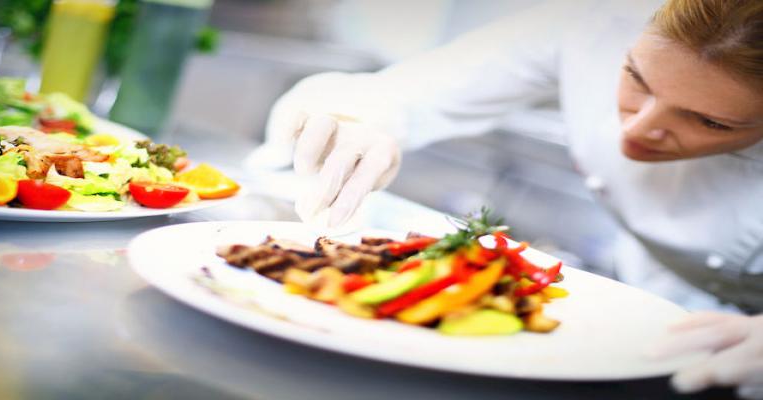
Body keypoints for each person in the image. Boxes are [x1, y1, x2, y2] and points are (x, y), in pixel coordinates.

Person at [246, 0, 763, 397]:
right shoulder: (598, 21)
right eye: (635, 78)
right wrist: (356, 121)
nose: (637, 129)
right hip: (646, 317)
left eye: (711, 121)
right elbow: (399, 92)